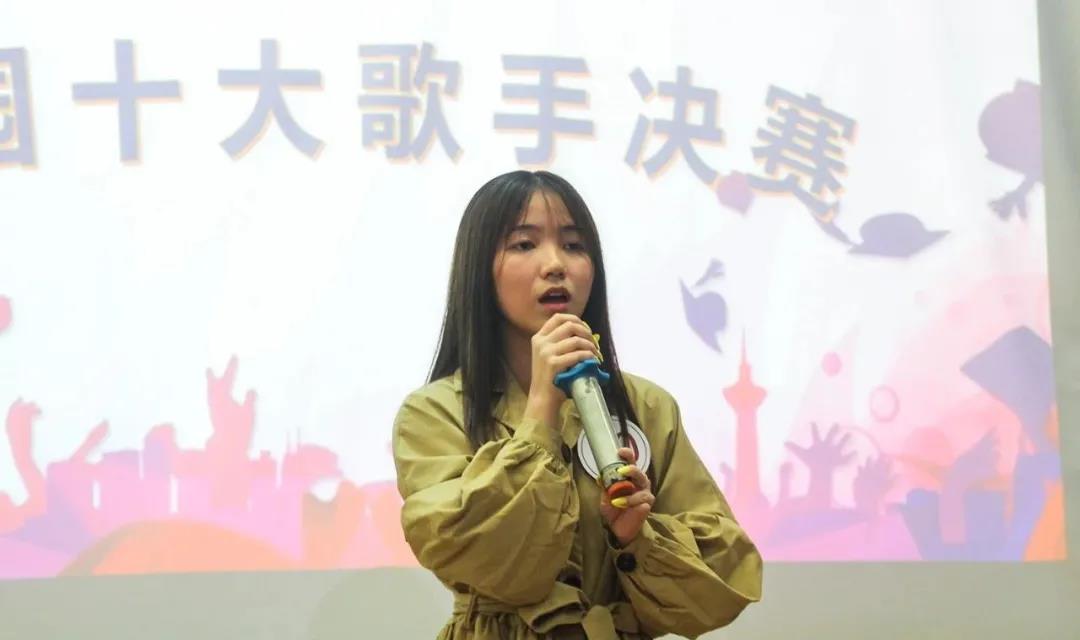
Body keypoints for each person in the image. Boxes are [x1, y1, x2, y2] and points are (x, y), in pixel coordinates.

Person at [392, 170, 762, 639]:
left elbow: (724, 576)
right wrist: (541, 409)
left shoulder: (647, 407)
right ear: (478, 269)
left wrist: (636, 536)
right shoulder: (433, 413)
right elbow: (485, 559)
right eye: (524, 244)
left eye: (573, 245)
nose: (555, 264)